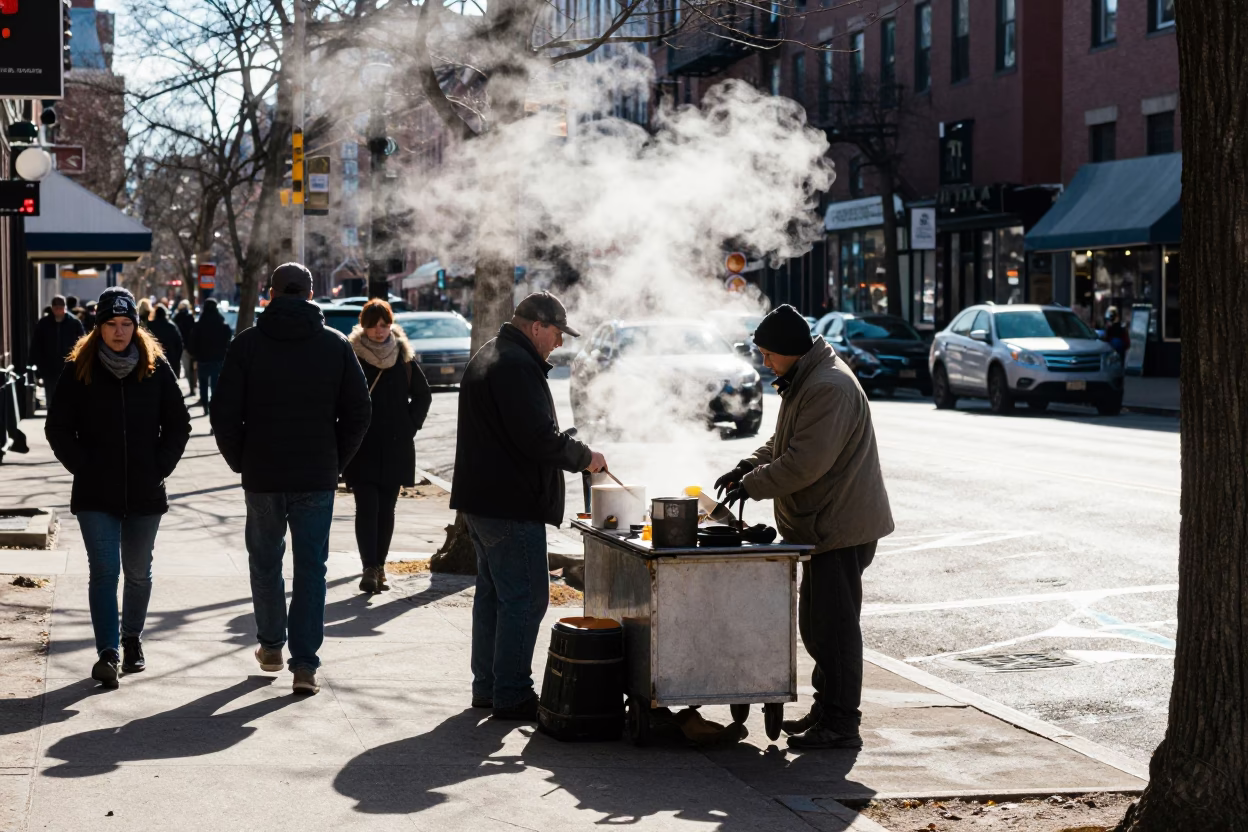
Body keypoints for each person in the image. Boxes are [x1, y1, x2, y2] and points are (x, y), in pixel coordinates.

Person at [714, 303, 893, 751]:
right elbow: (783, 442)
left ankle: (841, 723)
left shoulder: (828, 387)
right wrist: (747, 465)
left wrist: (753, 486)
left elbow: (804, 463)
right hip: (820, 527)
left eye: (768, 353)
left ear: (791, 350)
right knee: (817, 626)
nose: (764, 361)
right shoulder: (806, 379)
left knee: (834, 629)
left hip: (839, 527)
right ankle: (826, 708)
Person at [211, 263, 371, 695]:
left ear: (271, 292)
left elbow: (223, 413)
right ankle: (305, 665)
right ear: (311, 293)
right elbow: (359, 412)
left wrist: (241, 459)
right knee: (310, 570)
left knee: (265, 563)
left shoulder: (246, 345)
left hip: (262, 472)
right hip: (316, 473)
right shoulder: (334, 345)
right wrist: (336, 460)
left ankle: (271, 644)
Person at [451, 291, 607, 720]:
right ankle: (513, 693)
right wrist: (583, 457)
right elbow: (536, 438)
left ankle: (488, 688)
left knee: (493, 597)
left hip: (483, 500)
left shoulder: (495, 353)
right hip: (509, 502)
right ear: (536, 326)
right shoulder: (516, 366)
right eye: (556, 333)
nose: (559, 342)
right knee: (525, 599)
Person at [45, 288, 191, 688]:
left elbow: (179, 425)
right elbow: (57, 427)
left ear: (136, 326)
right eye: (111, 323)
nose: (119, 331)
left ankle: (132, 641)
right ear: (99, 326)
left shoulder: (155, 367)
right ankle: (107, 652)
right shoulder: (79, 369)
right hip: (95, 492)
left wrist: (160, 466)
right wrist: (82, 466)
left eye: (127, 324)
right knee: (105, 572)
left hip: (145, 489)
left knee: (139, 572)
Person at [345, 300, 433, 594]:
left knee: (387, 510)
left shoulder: (404, 358)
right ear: (364, 325)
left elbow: (423, 396)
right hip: (363, 446)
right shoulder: (352, 357)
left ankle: (379, 566)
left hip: (396, 446)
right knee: (367, 507)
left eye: (384, 324)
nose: (379, 330)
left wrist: (409, 426)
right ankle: (369, 566)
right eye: (373, 324)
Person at [29, 295, 85, 408]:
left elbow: (82, 344)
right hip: (49, 367)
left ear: (65, 307)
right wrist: (36, 364)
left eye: (61, 307)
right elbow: (36, 344)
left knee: (68, 396)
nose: (58, 310)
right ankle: (53, 421)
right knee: (51, 396)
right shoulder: (44, 323)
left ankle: (67, 421)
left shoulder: (74, 323)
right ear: (52, 308)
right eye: (56, 308)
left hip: (69, 366)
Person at [188, 298, 232, 416]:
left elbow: (192, 342)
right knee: (215, 385)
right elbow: (228, 342)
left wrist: (194, 355)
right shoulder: (223, 325)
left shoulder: (199, 325)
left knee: (203, 384)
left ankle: (205, 405)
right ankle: (214, 407)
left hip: (202, 359)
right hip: (218, 360)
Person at [148, 305, 184, 378]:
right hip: (171, 360)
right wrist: (177, 359)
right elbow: (179, 344)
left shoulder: (150, 326)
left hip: (154, 361)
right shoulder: (172, 326)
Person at [173, 300, 196, 393]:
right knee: (190, 368)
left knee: (184, 367)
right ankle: (192, 387)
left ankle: (179, 387)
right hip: (189, 346)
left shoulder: (176, 317)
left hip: (181, 345)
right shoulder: (190, 317)